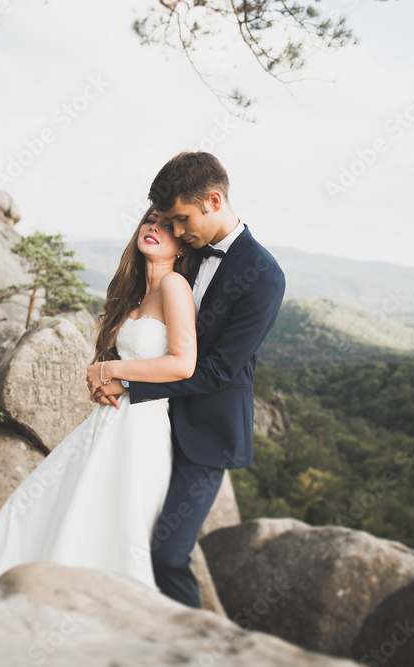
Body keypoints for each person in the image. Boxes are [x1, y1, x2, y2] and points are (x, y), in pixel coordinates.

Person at [0, 206, 202, 612]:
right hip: (108, 423)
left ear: (182, 244)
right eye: (150, 220)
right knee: (43, 511)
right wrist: (111, 382)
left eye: (167, 226)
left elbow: (183, 364)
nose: (155, 229)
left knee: (113, 524)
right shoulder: (137, 290)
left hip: (140, 431)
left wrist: (110, 369)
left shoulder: (175, 286)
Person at [91, 151, 286, 608]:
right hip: (149, 426)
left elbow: (219, 369)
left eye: (181, 219)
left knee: (168, 554)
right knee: (122, 532)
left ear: (214, 200)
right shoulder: (187, 251)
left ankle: (194, 648)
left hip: (206, 435)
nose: (176, 231)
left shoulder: (264, 276)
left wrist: (128, 384)